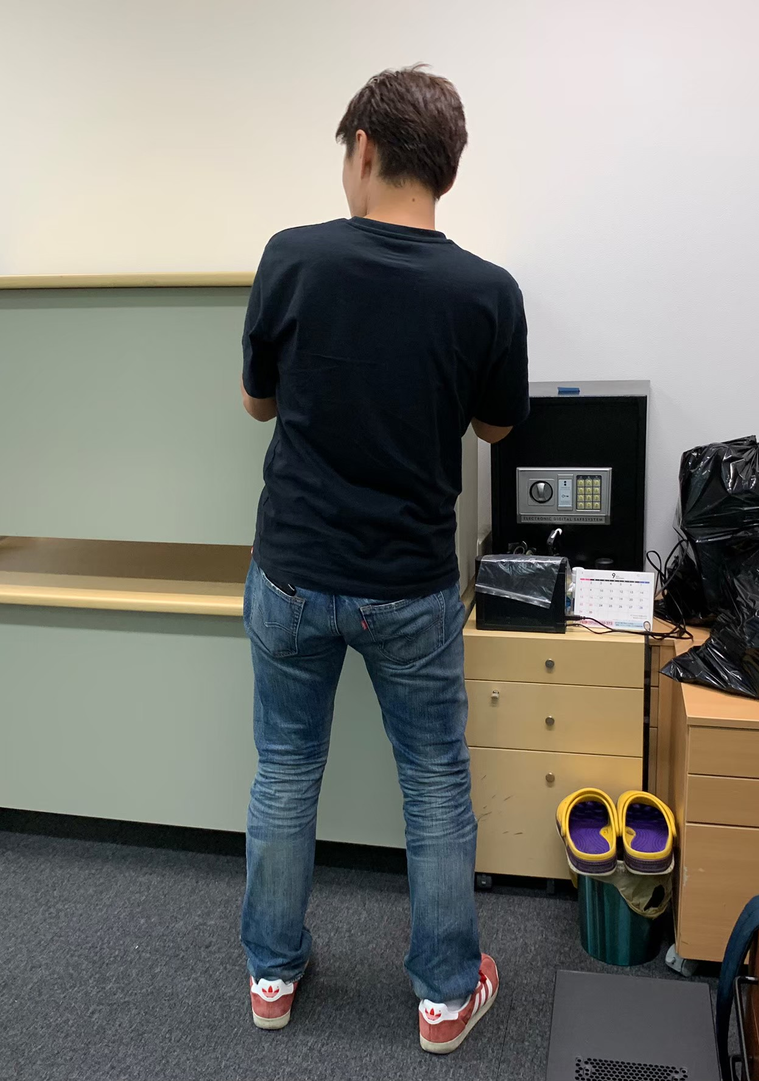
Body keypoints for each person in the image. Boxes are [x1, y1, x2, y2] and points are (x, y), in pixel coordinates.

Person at [237, 66, 530, 1054]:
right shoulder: (487, 291)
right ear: (447, 166)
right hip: (411, 585)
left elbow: (257, 402)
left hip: (293, 572)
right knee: (436, 781)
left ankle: (272, 974)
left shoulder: (293, 257)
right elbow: (497, 427)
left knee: (285, 769)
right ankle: (445, 995)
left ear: (363, 147)